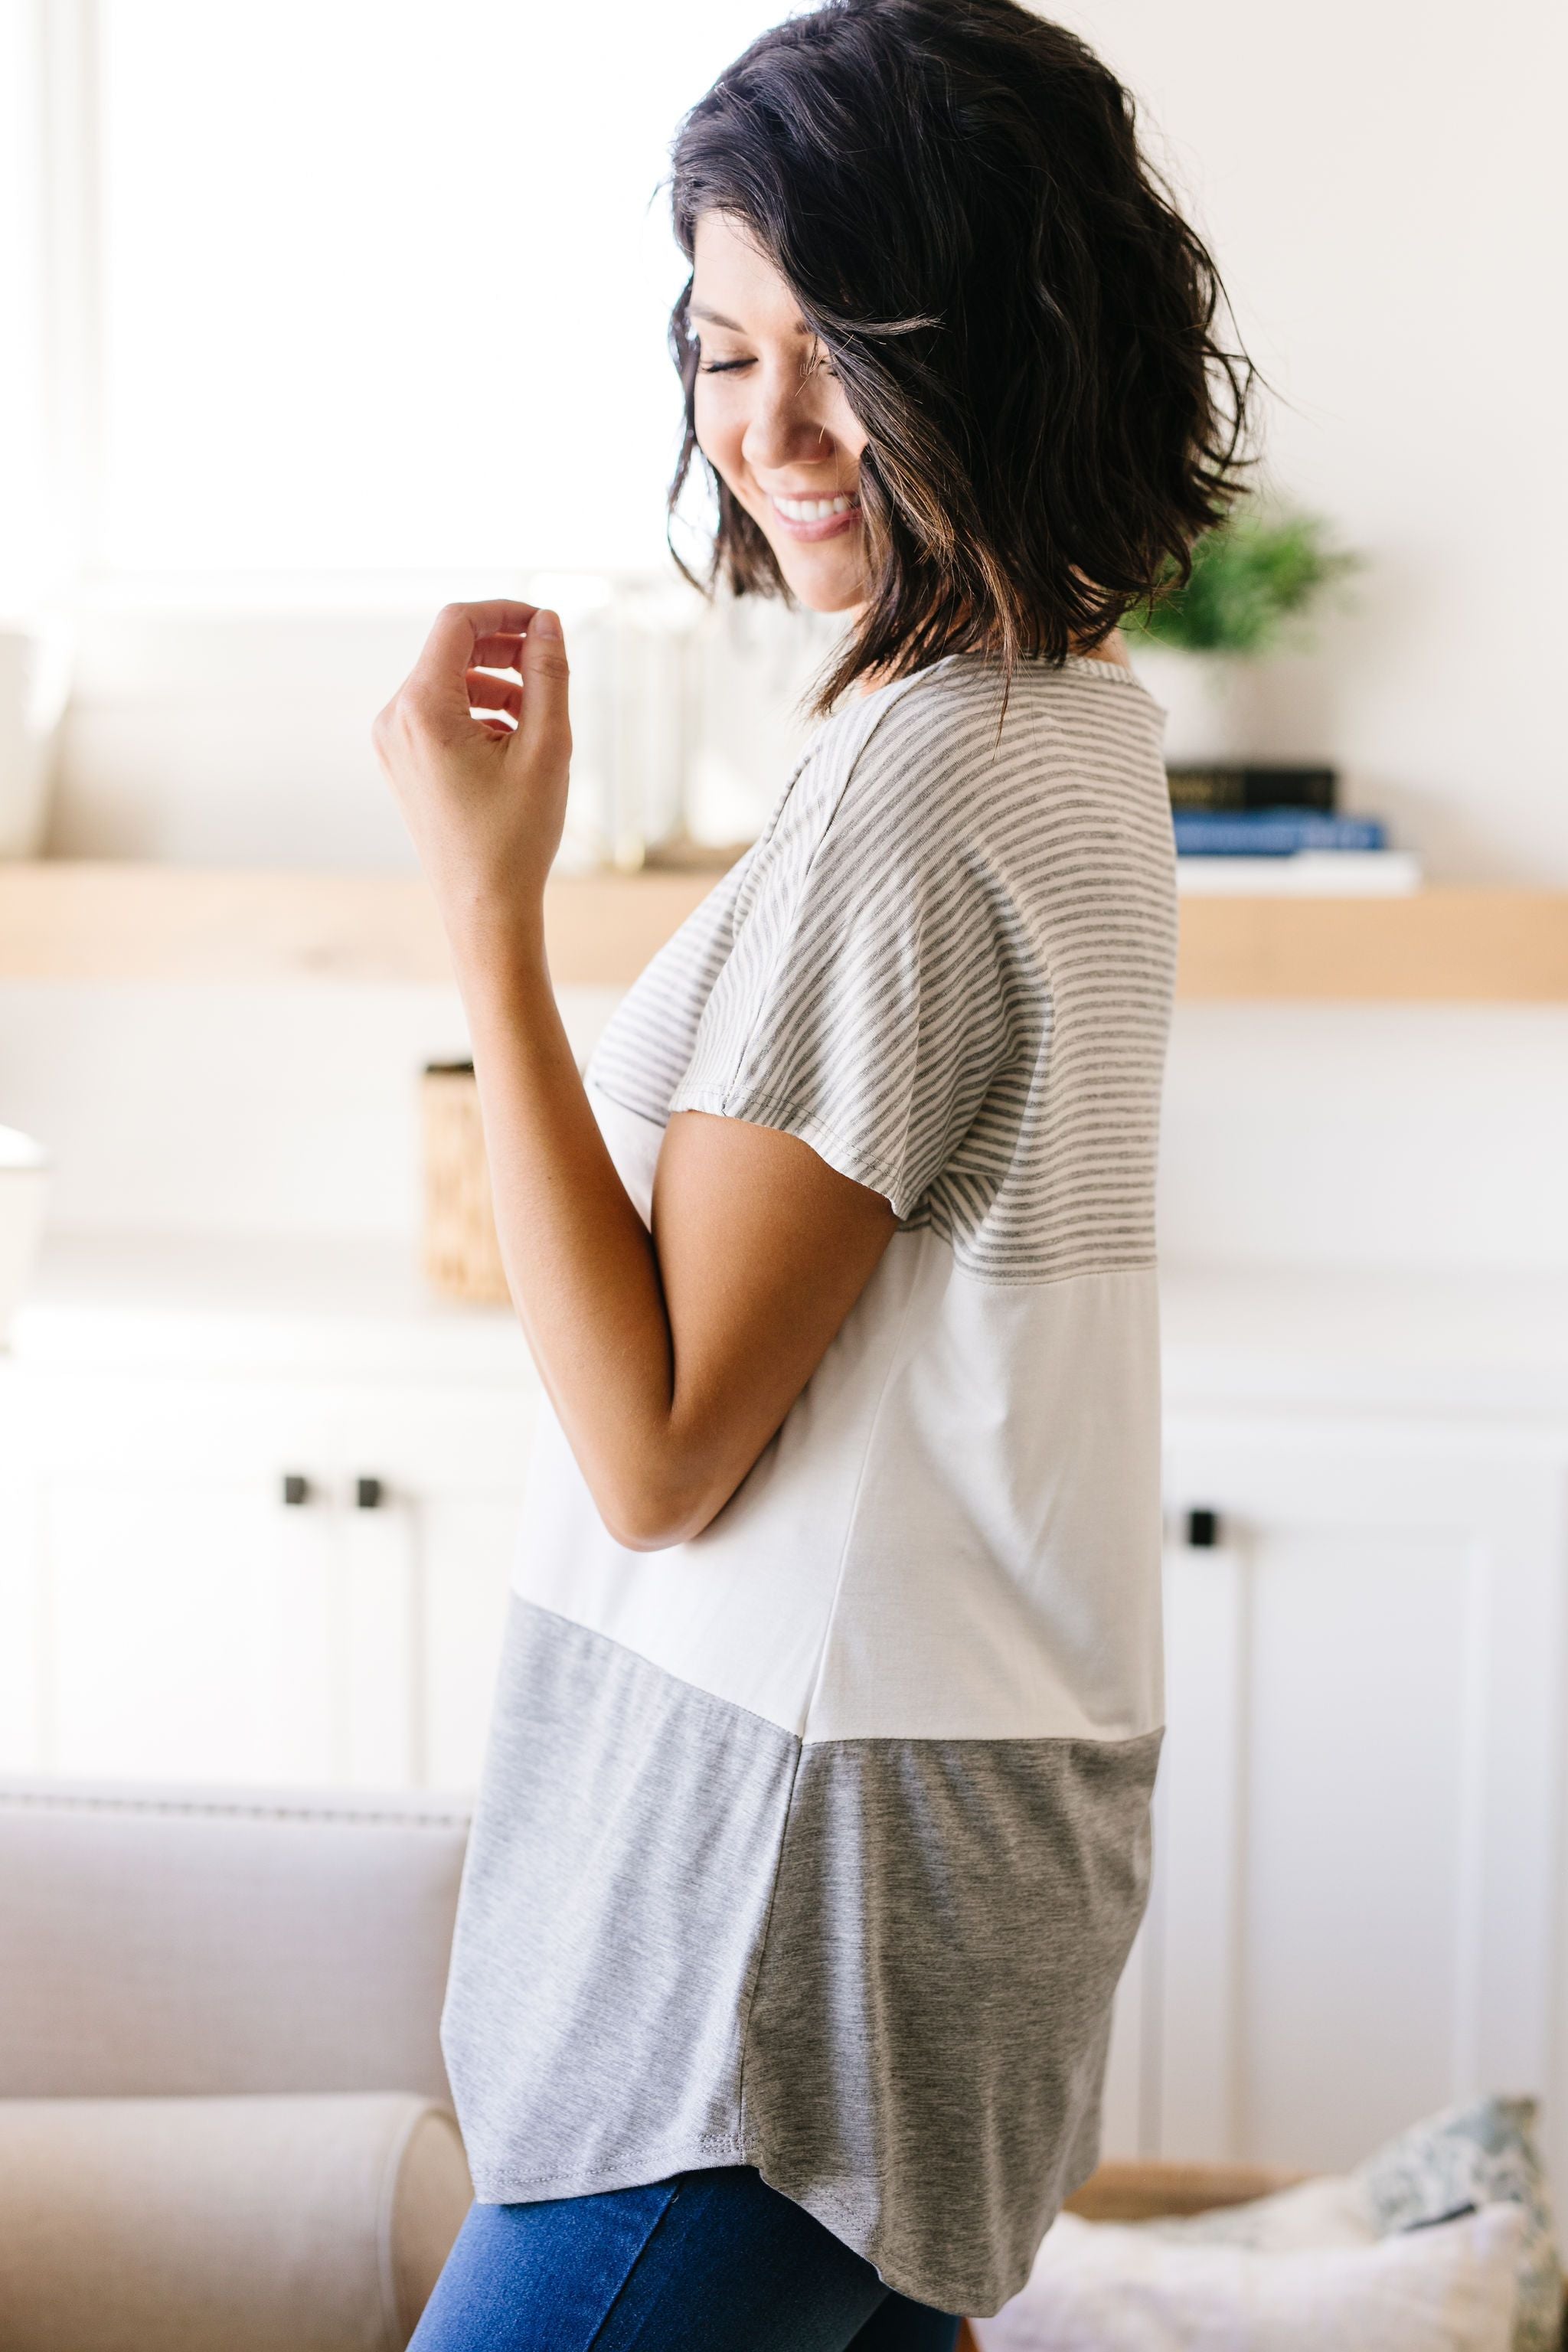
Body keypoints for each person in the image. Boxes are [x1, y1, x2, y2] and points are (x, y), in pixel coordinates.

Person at [376, 3, 1252, 2344]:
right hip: (943, 1868)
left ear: (1007, 337)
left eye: (843, 347)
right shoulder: (1064, 720)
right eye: (718, 345)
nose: (766, 428)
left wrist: (485, 908)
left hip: (779, 1942)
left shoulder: (921, 793)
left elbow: (661, 1453)